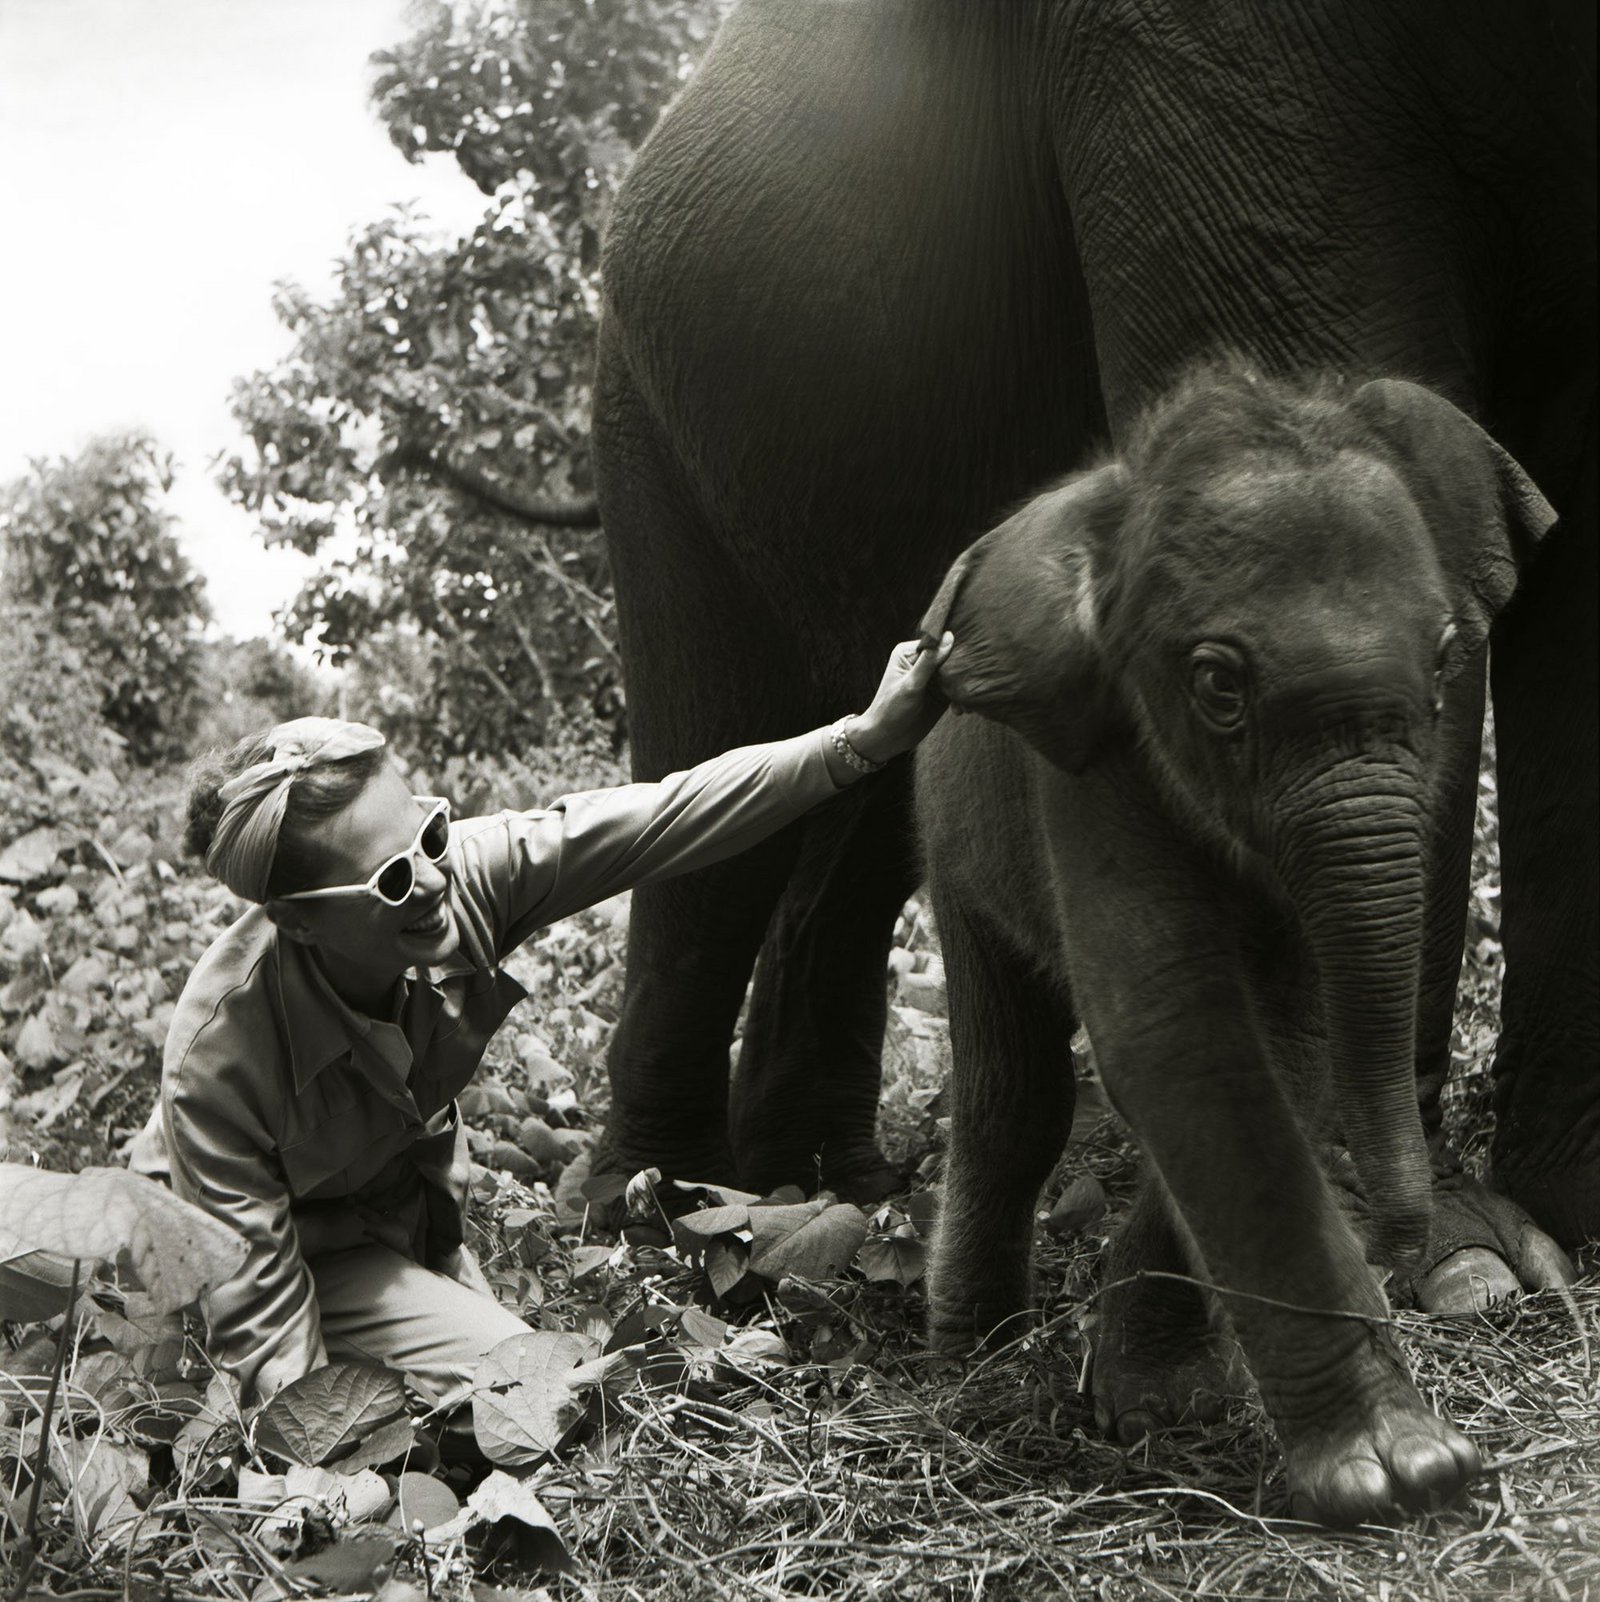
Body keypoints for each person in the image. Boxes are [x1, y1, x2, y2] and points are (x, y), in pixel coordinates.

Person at [129, 634, 952, 1411]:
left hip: (373, 1223)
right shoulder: (219, 1062)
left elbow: (663, 816)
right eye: (390, 880)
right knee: (524, 1388)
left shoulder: (455, 880)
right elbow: (267, 1333)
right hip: (216, 1245)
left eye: (430, 834)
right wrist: (317, 1466)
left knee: (533, 1376)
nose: (431, 881)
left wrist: (861, 740)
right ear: (297, 921)